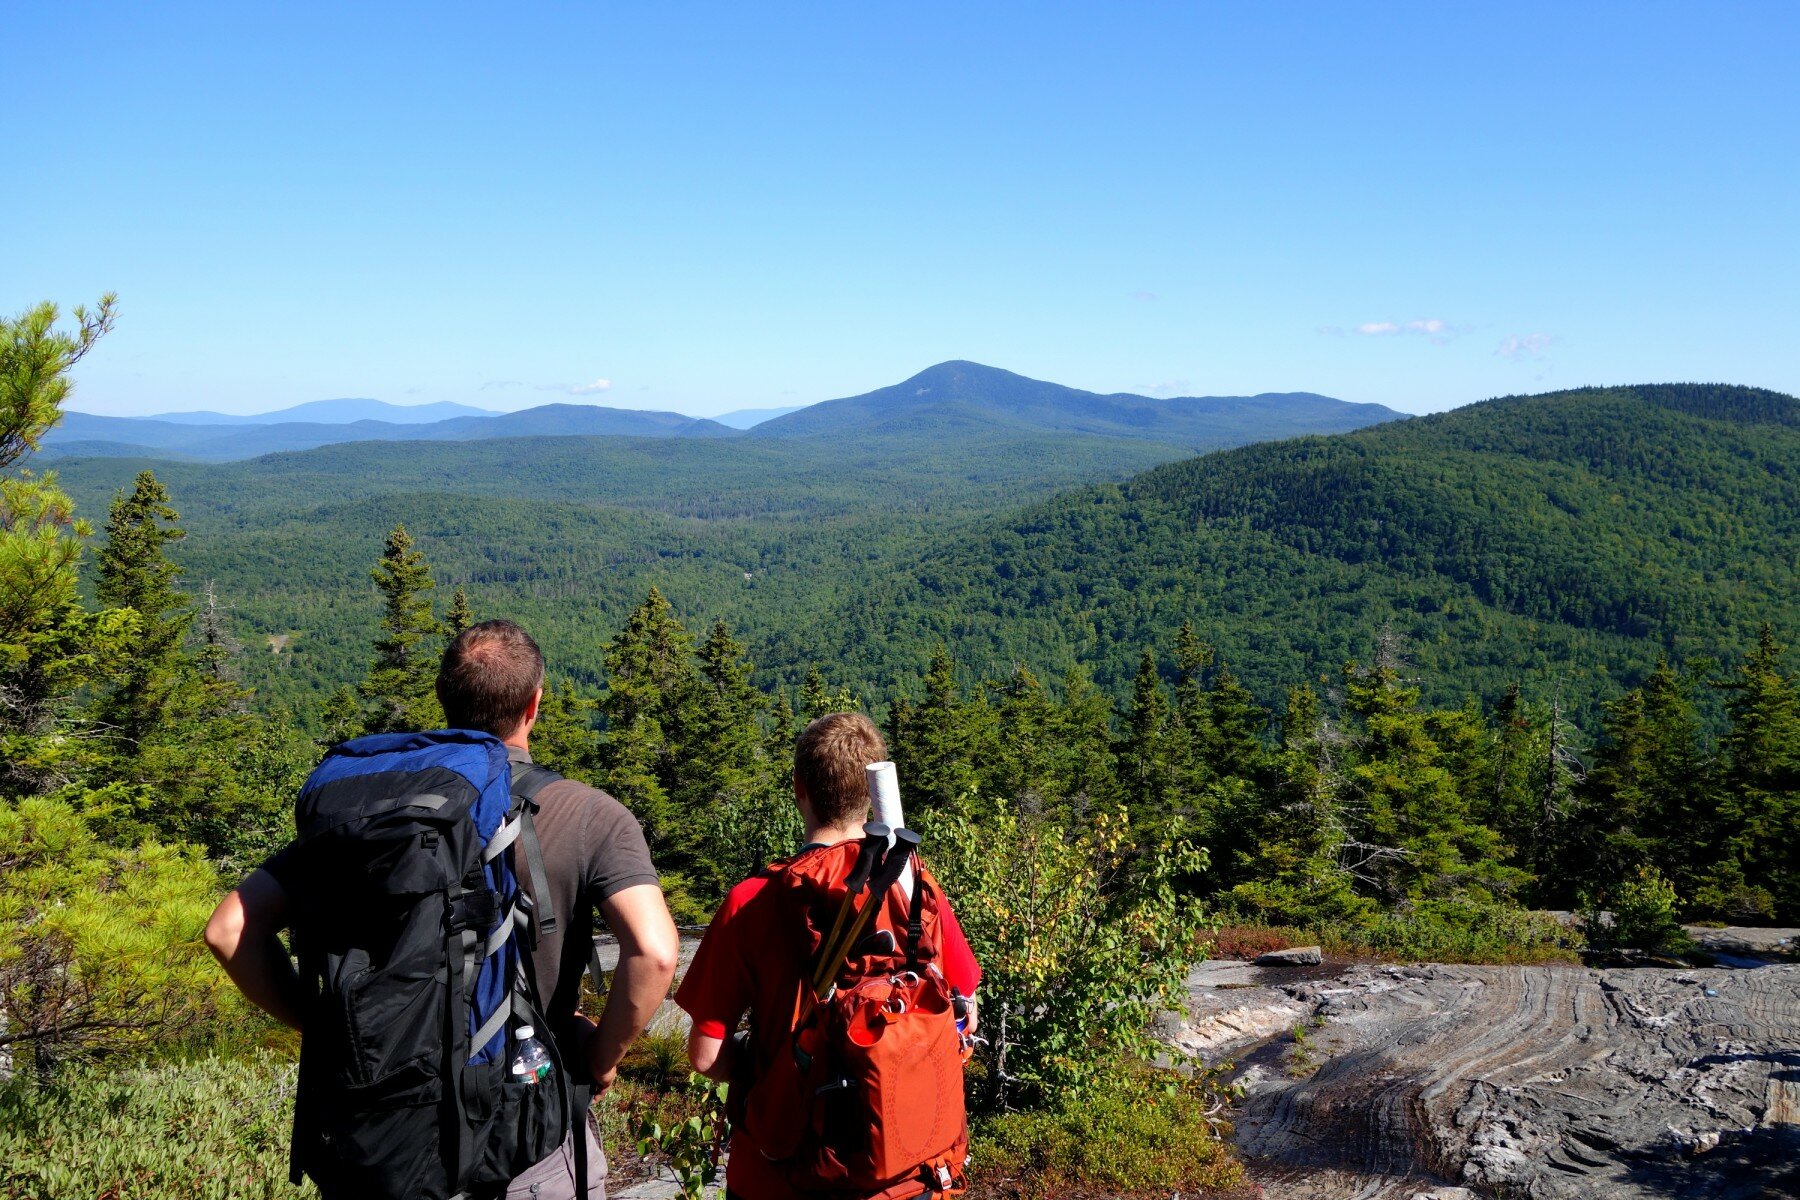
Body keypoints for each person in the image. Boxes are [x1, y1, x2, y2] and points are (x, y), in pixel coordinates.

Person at [206, 619, 680, 1200]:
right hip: (523, 1142)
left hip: (383, 1140)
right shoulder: (589, 815)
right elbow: (655, 953)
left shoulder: (379, 814)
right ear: (534, 703)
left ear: (445, 701)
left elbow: (229, 930)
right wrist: (602, 1058)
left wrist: (347, 1035)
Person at [677, 711, 981, 1200]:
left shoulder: (751, 901)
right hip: (905, 1175)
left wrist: (775, 1068)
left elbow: (706, 1053)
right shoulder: (914, 888)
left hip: (781, 1177)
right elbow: (963, 1011)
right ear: (872, 793)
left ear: (800, 788)